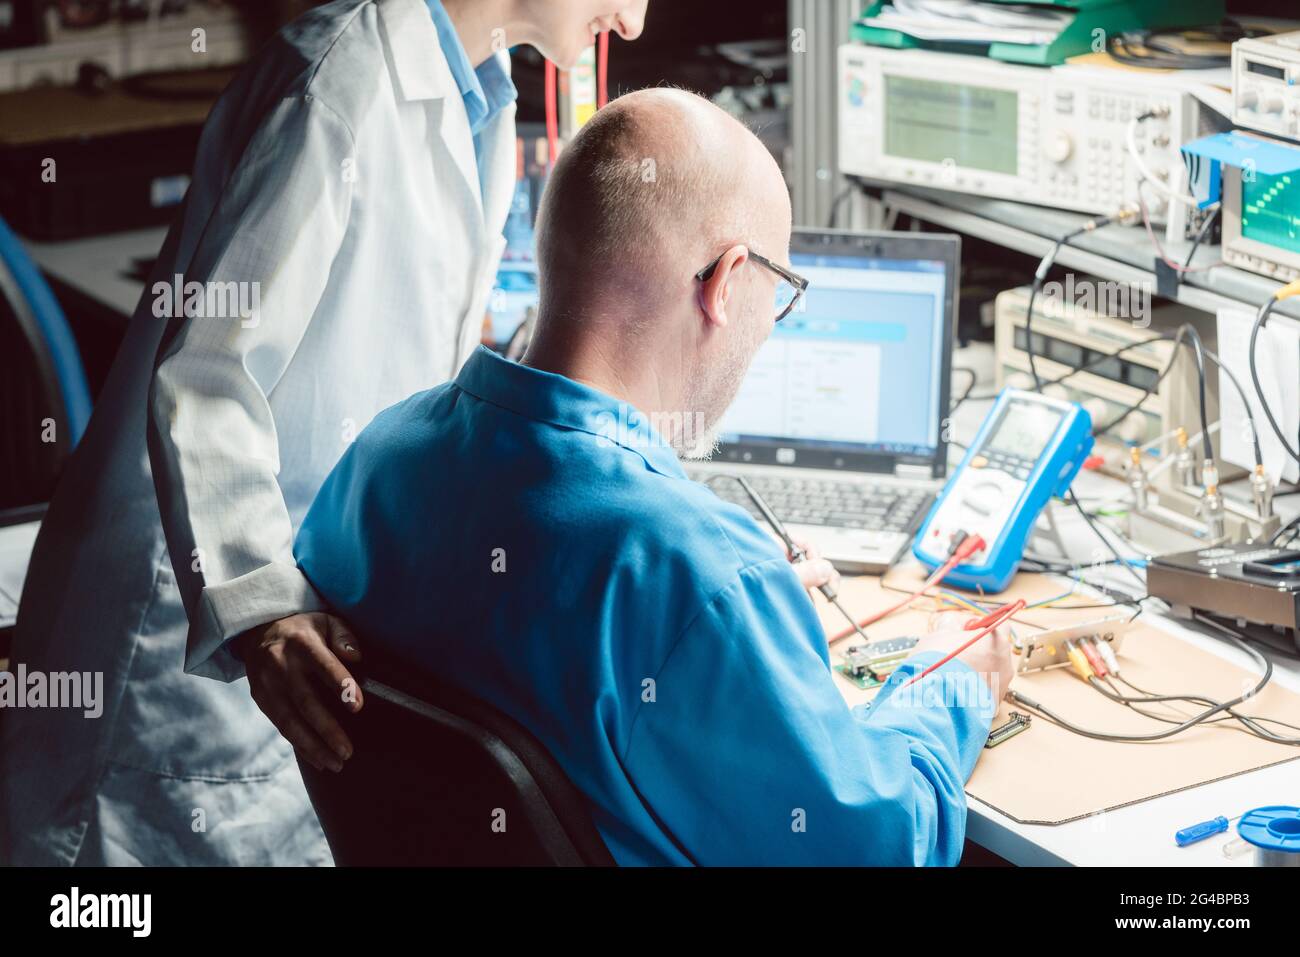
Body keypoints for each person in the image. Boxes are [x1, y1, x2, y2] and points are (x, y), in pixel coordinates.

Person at [1, 0, 648, 866]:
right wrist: (260, 608)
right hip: (187, 629)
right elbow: (206, 374)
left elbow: (415, 351)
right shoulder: (335, 82)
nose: (635, 22)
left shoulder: (480, 99)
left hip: (312, 602)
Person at [293, 88, 1013, 865]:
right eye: (782, 298)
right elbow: (877, 850)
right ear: (727, 281)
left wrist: (747, 640)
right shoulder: (695, 575)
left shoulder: (380, 460)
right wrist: (949, 686)